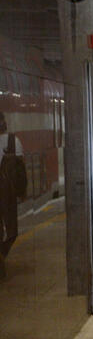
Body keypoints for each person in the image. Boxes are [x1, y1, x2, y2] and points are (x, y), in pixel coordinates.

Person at [0, 111, 23, 267]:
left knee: (10, 231)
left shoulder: (13, 141)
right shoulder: (14, 141)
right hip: (7, 194)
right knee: (11, 231)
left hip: (7, 192)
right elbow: (21, 168)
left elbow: (20, 170)